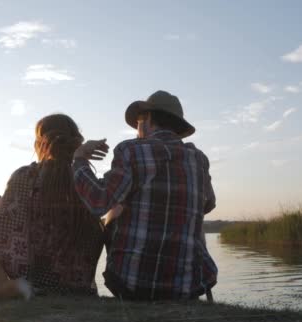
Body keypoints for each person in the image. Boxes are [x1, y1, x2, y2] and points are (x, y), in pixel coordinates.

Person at [72, 90, 218, 300]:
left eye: (138, 121)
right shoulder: (199, 159)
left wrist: (79, 160)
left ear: (147, 119)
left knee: (113, 211)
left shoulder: (131, 151)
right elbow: (208, 204)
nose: (136, 130)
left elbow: (98, 202)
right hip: (186, 288)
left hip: (130, 285)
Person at [0, 113, 105, 295]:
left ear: (39, 143)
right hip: (80, 287)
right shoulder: (85, 178)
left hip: (36, 286)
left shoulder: (24, 177)